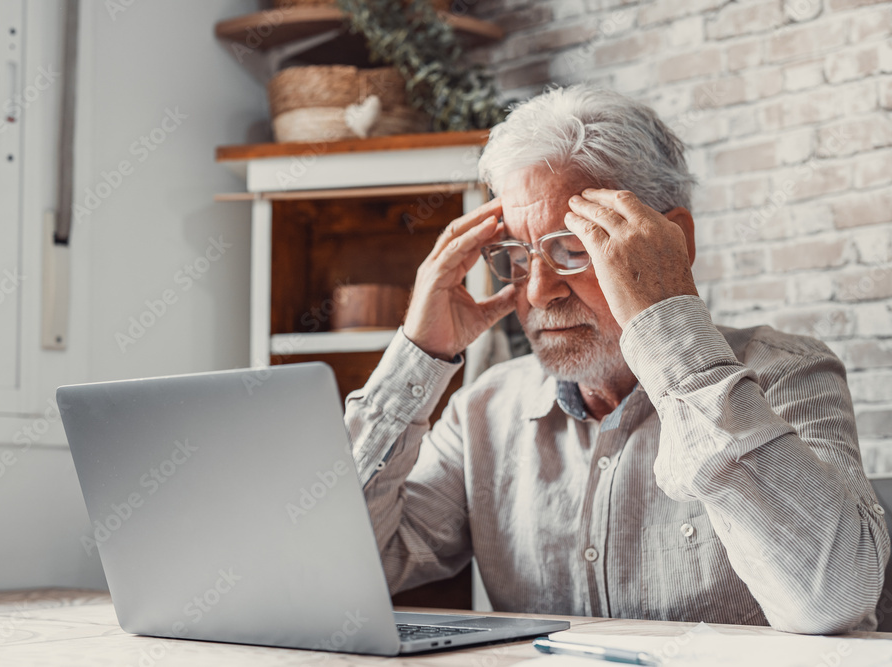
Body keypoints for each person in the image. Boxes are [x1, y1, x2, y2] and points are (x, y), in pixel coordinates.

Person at [344, 85, 890, 634]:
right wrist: (419, 354)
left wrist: (666, 318)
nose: (537, 292)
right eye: (516, 255)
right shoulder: (483, 409)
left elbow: (831, 600)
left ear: (673, 242)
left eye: (572, 247)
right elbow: (348, 569)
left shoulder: (788, 374)